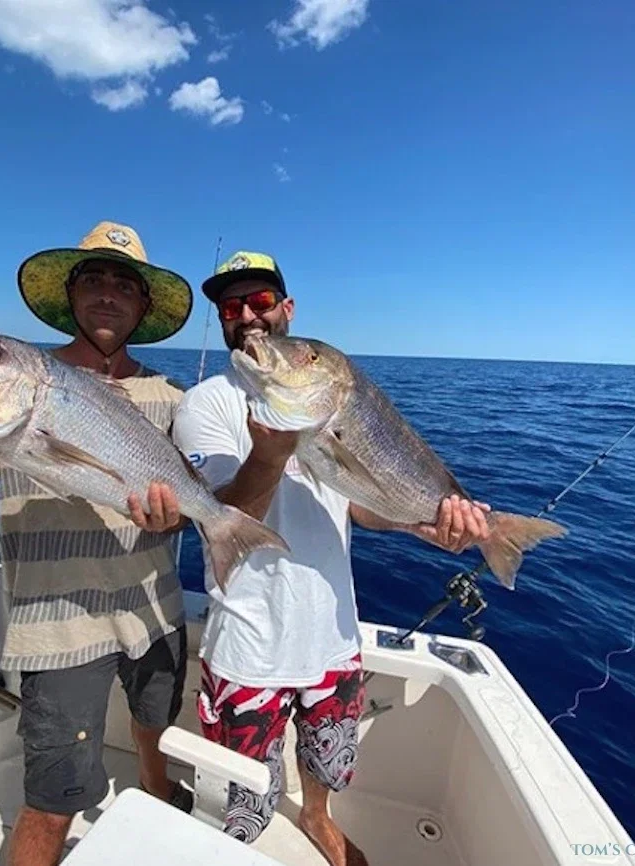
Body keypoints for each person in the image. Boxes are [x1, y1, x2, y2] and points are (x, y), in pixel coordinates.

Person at [168, 251, 491, 866]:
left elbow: (361, 505)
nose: (248, 316)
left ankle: (316, 816)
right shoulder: (205, 404)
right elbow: (221, 516)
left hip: (335, 638)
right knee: (242, 804)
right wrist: (269, 455)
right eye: (232, 307)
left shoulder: (321, 398)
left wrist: (427, 526)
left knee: (326, 764)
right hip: (249, 647)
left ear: (287, 309)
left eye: (261, 301)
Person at [0, 222, 195, 866]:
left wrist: (177, 520)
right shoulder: (11, 390)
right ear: (71, 295)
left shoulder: (173, 398)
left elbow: (187, 509)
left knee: (154, 723)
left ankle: (155, 784)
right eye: (94, 279)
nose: (108, 294)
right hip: (57, 629)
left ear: (143, 305)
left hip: (155, 609)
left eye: (124, 285)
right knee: (52, 802)